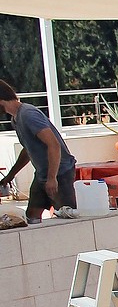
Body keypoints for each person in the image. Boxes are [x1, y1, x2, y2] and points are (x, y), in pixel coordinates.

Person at [0, 80, 77, 223]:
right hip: (42, 174)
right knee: (32, 216)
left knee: (67, 216)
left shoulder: (28, 114)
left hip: (60, 173)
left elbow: (53, 145)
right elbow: (28, 150)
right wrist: (10, 176)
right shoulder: (16, 119)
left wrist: (52, 178)